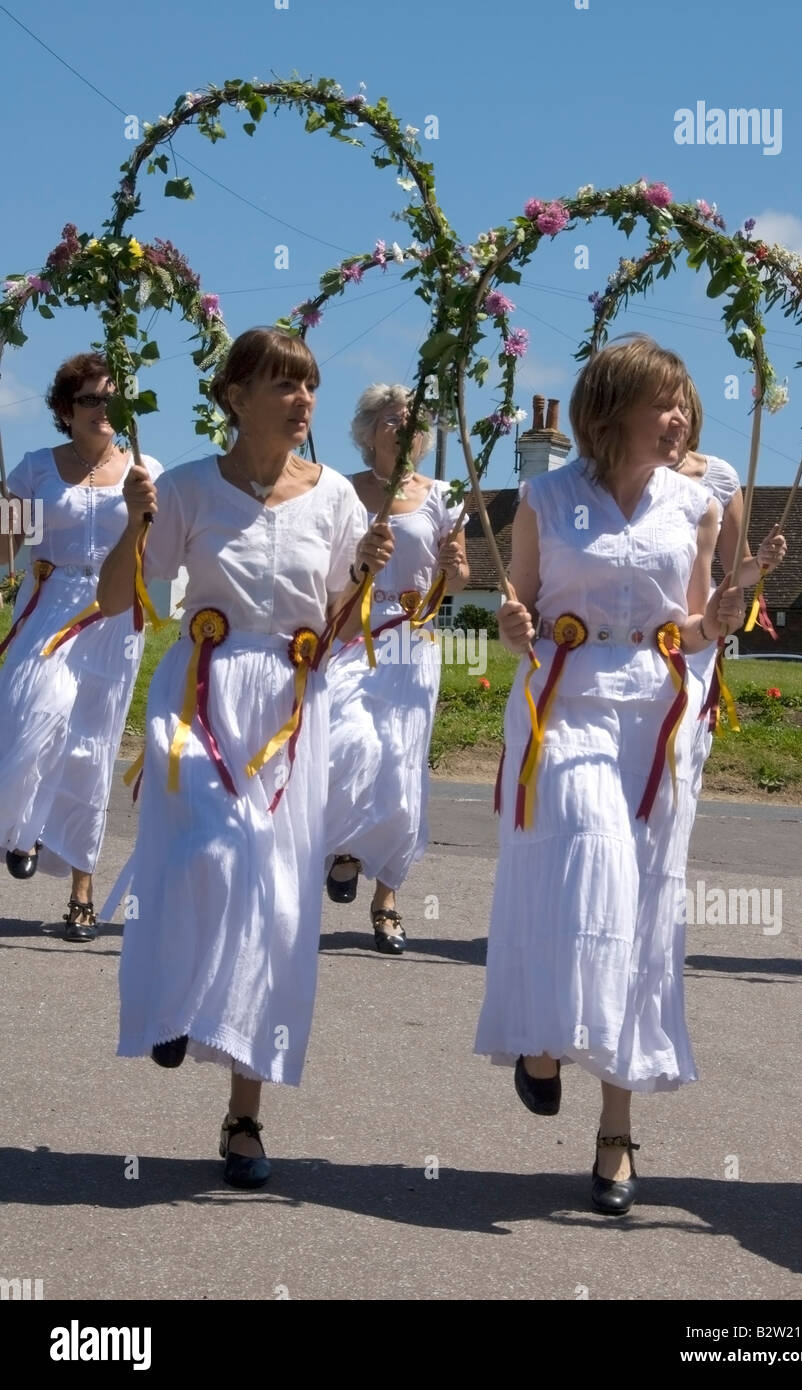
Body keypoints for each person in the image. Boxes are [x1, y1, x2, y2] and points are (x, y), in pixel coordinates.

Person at [96, 327, 394, 1188]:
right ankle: (177, 999)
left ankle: (245, 1118)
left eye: (309, 385)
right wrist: (134, 523)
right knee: (210, 852)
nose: (303, 401)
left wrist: (365, 577)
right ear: (234, 396)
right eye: (283, 385)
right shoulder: (185, 487)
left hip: (294, 709)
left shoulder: (337, 496)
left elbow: (344, 631)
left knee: (276, 904)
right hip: (199, 693)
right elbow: (124, 599)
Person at [474, 335, 746, 1216]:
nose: (679, 419)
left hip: (655, 715)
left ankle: (616, 1133)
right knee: (590, 860)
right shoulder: (544, 499)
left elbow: (697, 625)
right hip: (569, 704)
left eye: (684, 404)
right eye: (660, 402)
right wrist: (514, 630)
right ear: (609, 409)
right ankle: (544, 1038)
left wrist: (720, 619)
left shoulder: (696, 504)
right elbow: (517, 609)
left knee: (642, 909)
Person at [0, 353, 162, 940]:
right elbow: (2, 549)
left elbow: (163, 551)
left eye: (112, 399)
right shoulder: (33, 468)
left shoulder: (146, 468)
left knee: (91, 749)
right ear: (66, 410)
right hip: (49, 603)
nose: (104, 409)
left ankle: (82, 890)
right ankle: (22, 827)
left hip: (114, 614)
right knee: (32, 714)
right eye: (91, 399)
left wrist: (148, 512)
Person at [324, 385, 468, 953]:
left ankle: (387, 899)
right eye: (390, 417)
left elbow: (456, 581)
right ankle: (345, 846)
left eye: (411, 417)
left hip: (412, 637)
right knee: (348, 739)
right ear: (368, 431)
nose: (403, 425)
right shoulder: (342, 491)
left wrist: (456, 568)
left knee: (401, 763)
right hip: (352, 630)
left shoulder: (442, 496)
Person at [672, 380, 787, 793]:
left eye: (681, 406)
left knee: (683, 750)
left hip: (697, 632)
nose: (672, 418)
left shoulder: (719, 478)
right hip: (635, 624)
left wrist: (762, 561)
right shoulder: (626, 472)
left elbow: (736, 569)